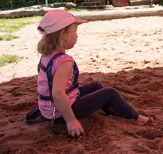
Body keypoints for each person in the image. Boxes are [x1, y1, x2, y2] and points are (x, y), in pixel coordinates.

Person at [34, 9, 148, 137]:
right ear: (63, 34)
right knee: (110, 93)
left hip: (49, 109)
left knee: (97, 86)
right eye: (75, 32)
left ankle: (114, 112)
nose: (77, 36)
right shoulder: (64, 61)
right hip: (61, 113)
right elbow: (58, 94)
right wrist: (71, 120)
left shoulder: (48, 55)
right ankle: (136, 118)